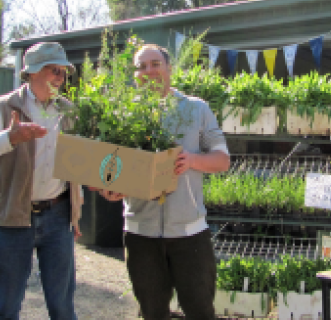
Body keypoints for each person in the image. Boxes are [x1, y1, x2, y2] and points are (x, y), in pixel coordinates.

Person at [94, 44, 230, 319]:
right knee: (151, 312)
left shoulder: (195, 109)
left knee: (201, 311)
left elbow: (222, 160)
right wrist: (110, 189)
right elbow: (109, 169)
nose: (149, 71)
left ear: (169, 68)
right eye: (141, 67)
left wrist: (192, 160)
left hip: (189, 234)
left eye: (155, 64)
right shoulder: (124, 114)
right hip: (140, 233)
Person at [0, 42, 83, 320]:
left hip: (58, 217)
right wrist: (9, 137)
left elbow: (78, 165)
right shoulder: (5, 107)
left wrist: (75, 214)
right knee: (6, 308)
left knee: (63, 308)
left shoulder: (69, 111)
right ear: (31, 73)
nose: (60, 78)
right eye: (54, 70)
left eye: (63, 72)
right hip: (14, 218)